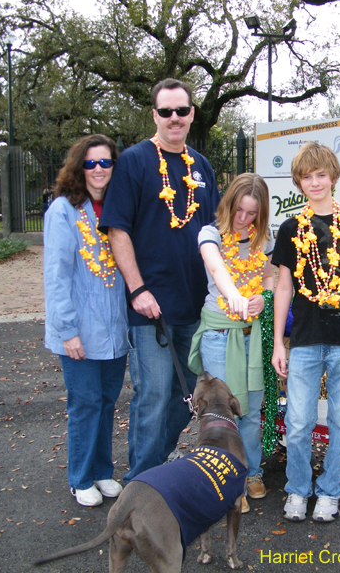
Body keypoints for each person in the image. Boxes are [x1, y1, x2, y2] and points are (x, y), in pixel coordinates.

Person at [99, 79, 220, 483]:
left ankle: (152, 467)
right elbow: (117, 230)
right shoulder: (134, 162)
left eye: (181, 111)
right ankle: (142, 482)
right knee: (151, 397)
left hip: (195, 305)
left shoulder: (201, 167)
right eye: (165, 111)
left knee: (186, 398)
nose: (174, 119)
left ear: (191, 115)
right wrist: (137, 290)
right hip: (150, 308)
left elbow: (214, 235)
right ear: (154, 114)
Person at [271, 141, 340, 523]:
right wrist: (278, 345)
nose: (315, 182)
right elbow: (283, 286)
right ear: (298, 182)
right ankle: (298, 489)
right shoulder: (290, 229)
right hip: (304, 337)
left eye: (321, 175)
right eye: (307, 177)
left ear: (333, 177)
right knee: (298, 421)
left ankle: (330, 490)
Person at [43, 134, 129, 507]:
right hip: (79, 329)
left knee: (108, 401)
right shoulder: (63, 210)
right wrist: (68, 331)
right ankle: (79, 478)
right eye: (90, 163)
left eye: (105, 162)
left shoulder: (119, 208)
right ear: (79, 168)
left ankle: (101, 471)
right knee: (85, 403)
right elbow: (57, 275)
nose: (98, 170)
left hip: (114, 329)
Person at [188, 173, 276, 514]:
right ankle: (226, 480)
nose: (243, 219)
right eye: (239, 210)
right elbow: (216, 267)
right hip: (219, 335)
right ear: (228, 205)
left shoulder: (265, 239)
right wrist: (236, 296)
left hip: (252, 335)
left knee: (251, 410)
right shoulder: (210, 234)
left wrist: (264, 298)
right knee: (223, 413)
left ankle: (251, 473)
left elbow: (268, 274)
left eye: (252, 213)